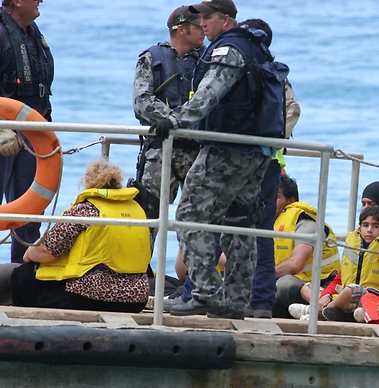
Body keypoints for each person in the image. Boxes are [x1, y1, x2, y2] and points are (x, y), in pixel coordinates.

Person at [150, 0, 282, 319]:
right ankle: (236, 300)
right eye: (199, 18)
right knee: (239, 222)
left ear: (226, 19)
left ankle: (205, 292)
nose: (203, 23)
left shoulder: (229, 50)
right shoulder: (255, 48)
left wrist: (175, 121)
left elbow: (210, 94)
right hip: (254, 150)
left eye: (207, 17)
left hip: (226, 149)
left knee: (189, 212)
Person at [8, 160, 151, 312]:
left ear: (88, 182)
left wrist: (28, 255)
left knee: (23, 276)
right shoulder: (138, 212)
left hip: (91, 296)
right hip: (136, 299)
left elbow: (46, 251)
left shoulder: (86, 210)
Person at [238, 18, 301, 319]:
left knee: (231, 229)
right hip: (271, 160)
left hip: (243, 163)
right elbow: (293, 112)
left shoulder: (241, 70)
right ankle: (260, 299)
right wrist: (272, 141)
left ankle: (239, 295)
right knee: (261, 232)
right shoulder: (277, 75)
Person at [132, 5, 204, 229]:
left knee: (201, 223)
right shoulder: (152, 58)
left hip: (199, 151)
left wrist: (177, 122)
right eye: (198, 26)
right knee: (147, 220)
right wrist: (172, 119)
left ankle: (196, 265)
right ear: (181, 29)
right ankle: (141, 265)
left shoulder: (209, 60)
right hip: (160, 151)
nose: (204, 29)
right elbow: (141, 101)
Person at [0, 0, 54, 263]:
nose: (41, 0)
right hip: (2, 134)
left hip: (32, 135)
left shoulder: (33, 34)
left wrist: (47, 129)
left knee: (29, 217)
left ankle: (22, 282)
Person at [288, 205, 379, 321]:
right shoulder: (353, 246)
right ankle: (326, 309)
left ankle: (313, 312)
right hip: (343, 297)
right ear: (360, 227)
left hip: (370, 297)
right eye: (365, 225)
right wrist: (326, 294)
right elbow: (339, 278)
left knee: (351, 289)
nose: (369, 230)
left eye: (375, 226)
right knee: (306, 287)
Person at [273, 175, 340, 318]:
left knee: (284, 284)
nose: (270, 201)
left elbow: (296, 264)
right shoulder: (270, 222)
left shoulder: (306, 222)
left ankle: (320, 310)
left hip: (320, 285)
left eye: (276, 196)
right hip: (287, 281)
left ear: (291, 201)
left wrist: (263, 276)